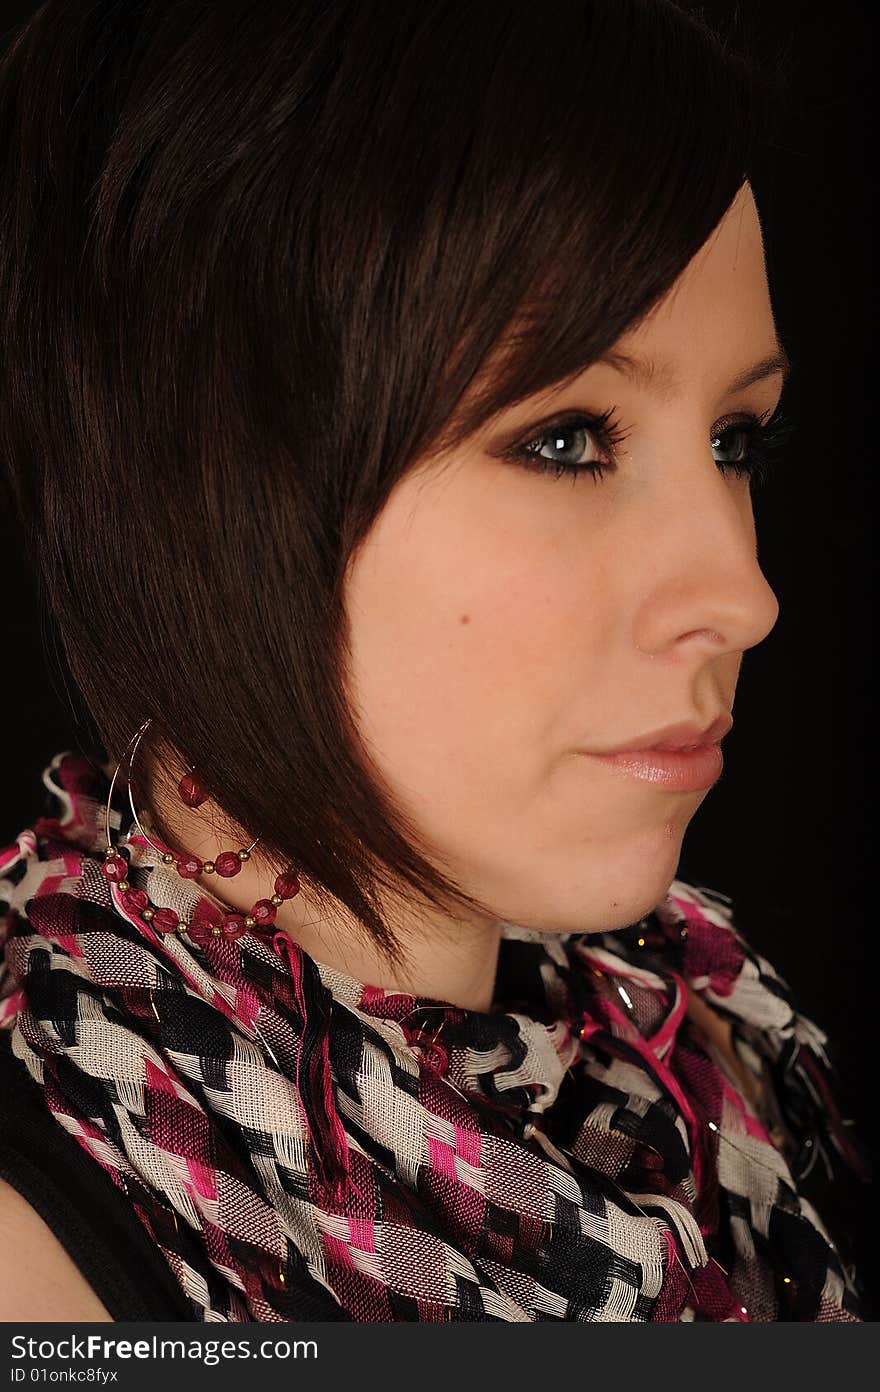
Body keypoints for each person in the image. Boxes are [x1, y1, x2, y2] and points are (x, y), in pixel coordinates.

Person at [0, 0, 870, 1323]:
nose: (743, 596)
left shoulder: (720, 1077)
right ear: (212, 491)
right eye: (570, 439)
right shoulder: (37, 1269)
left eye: (736, 439)